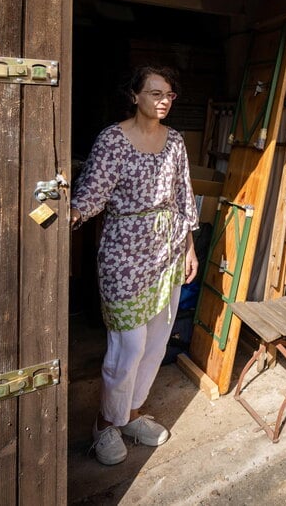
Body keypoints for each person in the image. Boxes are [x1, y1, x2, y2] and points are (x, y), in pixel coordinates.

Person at [70, 65, 199, 466]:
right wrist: (66, 213)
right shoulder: (113, 139)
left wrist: (189, 248)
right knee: (128, 345)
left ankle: (131, 414)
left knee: (157, 341)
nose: (164, 100)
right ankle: (104, 422)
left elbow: (182, 196)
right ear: (134, 96)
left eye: (169, 95)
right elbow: (90, 194)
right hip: (124, 254)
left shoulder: (175, 141)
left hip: (168, 251)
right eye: (156, 93)